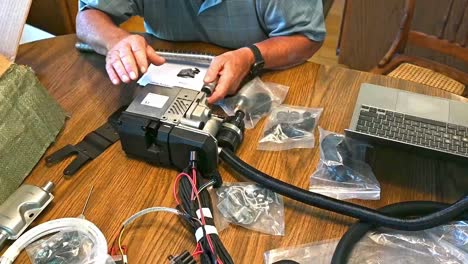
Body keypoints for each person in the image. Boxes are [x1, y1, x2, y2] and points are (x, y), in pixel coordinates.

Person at [76, 0, 326, 103]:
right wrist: (116, 41)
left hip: (260, 88)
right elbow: (88, 15)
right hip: (165, 89)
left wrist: (251, 57)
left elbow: (306, 37)